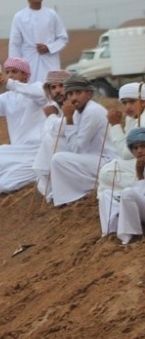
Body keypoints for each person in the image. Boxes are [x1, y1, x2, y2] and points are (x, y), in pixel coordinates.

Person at [0, 57, 47, 196]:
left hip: (37, 150)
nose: (10, 75)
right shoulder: (6, 98)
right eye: (7, 72)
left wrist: (10, 83)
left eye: (14, 71)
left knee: (6, 184)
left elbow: (40, 94)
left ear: (25, 74)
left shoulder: (36, 88)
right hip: (16, 151)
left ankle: (38, 173)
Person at [41, 75, 117, 206]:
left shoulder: (92, 111)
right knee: (51, 141)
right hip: (91, 156)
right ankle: (50, 190)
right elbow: (63, 133)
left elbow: (76, 148)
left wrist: (69, 119)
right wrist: (68, 118)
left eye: (78, 92)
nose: (74, 98)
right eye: (70, 94)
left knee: (58, 159)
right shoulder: (79, 110)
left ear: (89, 93)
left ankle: (68, 196)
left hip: (106, 161)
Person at [98, 83, 145, 235]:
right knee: (107, 174)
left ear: (143, 101)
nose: (128, 107)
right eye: (124, 103)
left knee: (108, 174)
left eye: (132, 102)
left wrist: (115, 125)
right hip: (135, 163)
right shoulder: (134, 118)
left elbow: (126, 153)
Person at [9, 0, 68, 83]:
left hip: (49, 60)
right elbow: (15, 44)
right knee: (29, 91)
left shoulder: (51, 15)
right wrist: (14, 68)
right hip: (28, 61)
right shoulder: (19, 17)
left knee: (51, 89)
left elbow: (62, 38)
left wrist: (49, 47)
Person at [115, 128, 145, 244]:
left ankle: (134, 236)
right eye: (135, 148)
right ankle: (110, 232)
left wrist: (139, 173)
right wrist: (140, 174)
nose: (139, 151)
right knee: (106, 195)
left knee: (127, 193)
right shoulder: (140, 164)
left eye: (143, 146)